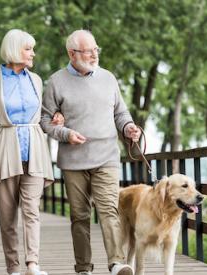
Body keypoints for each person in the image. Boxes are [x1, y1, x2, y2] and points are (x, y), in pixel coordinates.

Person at [40, 29, 141, 275]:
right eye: (88, 51)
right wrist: (65, 134)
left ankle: (117, 263)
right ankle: (83, 267)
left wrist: (128, 127)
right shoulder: (56, 81)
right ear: (71, 53)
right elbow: (45, 120)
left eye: (96, 50)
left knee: (109, 209)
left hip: (106, 156)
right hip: (73, 161)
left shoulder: (108, 78)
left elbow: (120, 112)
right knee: (79, 215)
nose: (94, 55)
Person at [0, 29, 57, 275]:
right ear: (14, 49)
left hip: (35, 150)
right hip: (4, 152)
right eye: (28, 49)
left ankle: (32, 264)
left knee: (32, 210)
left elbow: (41, 113)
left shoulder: (35, 80)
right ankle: (13, 268)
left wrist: (55, 117)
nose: (33, 53)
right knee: (7, 216)